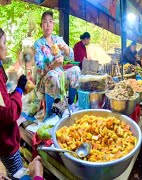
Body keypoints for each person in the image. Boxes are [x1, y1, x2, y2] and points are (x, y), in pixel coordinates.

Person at [34, 11, 81, 118]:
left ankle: (69, 105)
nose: (48, 24)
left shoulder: (58, 39)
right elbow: (40, 67)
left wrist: (66, 49)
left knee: (76, 70)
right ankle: (50, 114)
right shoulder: (38, 44)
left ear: (53, 24)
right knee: (53, 75)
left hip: (61, 75)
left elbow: (71, 57)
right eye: (45, 22)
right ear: (41, 25)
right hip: (45, 78)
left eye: (50, 21)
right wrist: (52, 65)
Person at [0, 28, 28, 180]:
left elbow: (3, 101)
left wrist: (13, 93)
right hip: (6, 142)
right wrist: (19, 89)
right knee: (18, 174)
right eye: (3, 42)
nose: (5, 46)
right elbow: (8, 113)